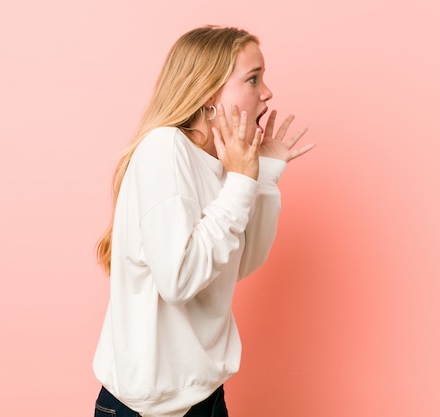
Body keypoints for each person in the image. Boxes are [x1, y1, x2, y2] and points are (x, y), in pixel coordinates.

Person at [92, 25, 315, 417]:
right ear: (209, 93)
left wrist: (260, 177)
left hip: (207, 399)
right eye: (252, 79)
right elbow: (179, 281)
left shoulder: (217, 164)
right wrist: (242, 182)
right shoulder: (164, 149)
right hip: (151, 411)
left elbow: (242, 263)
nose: (267, 92)